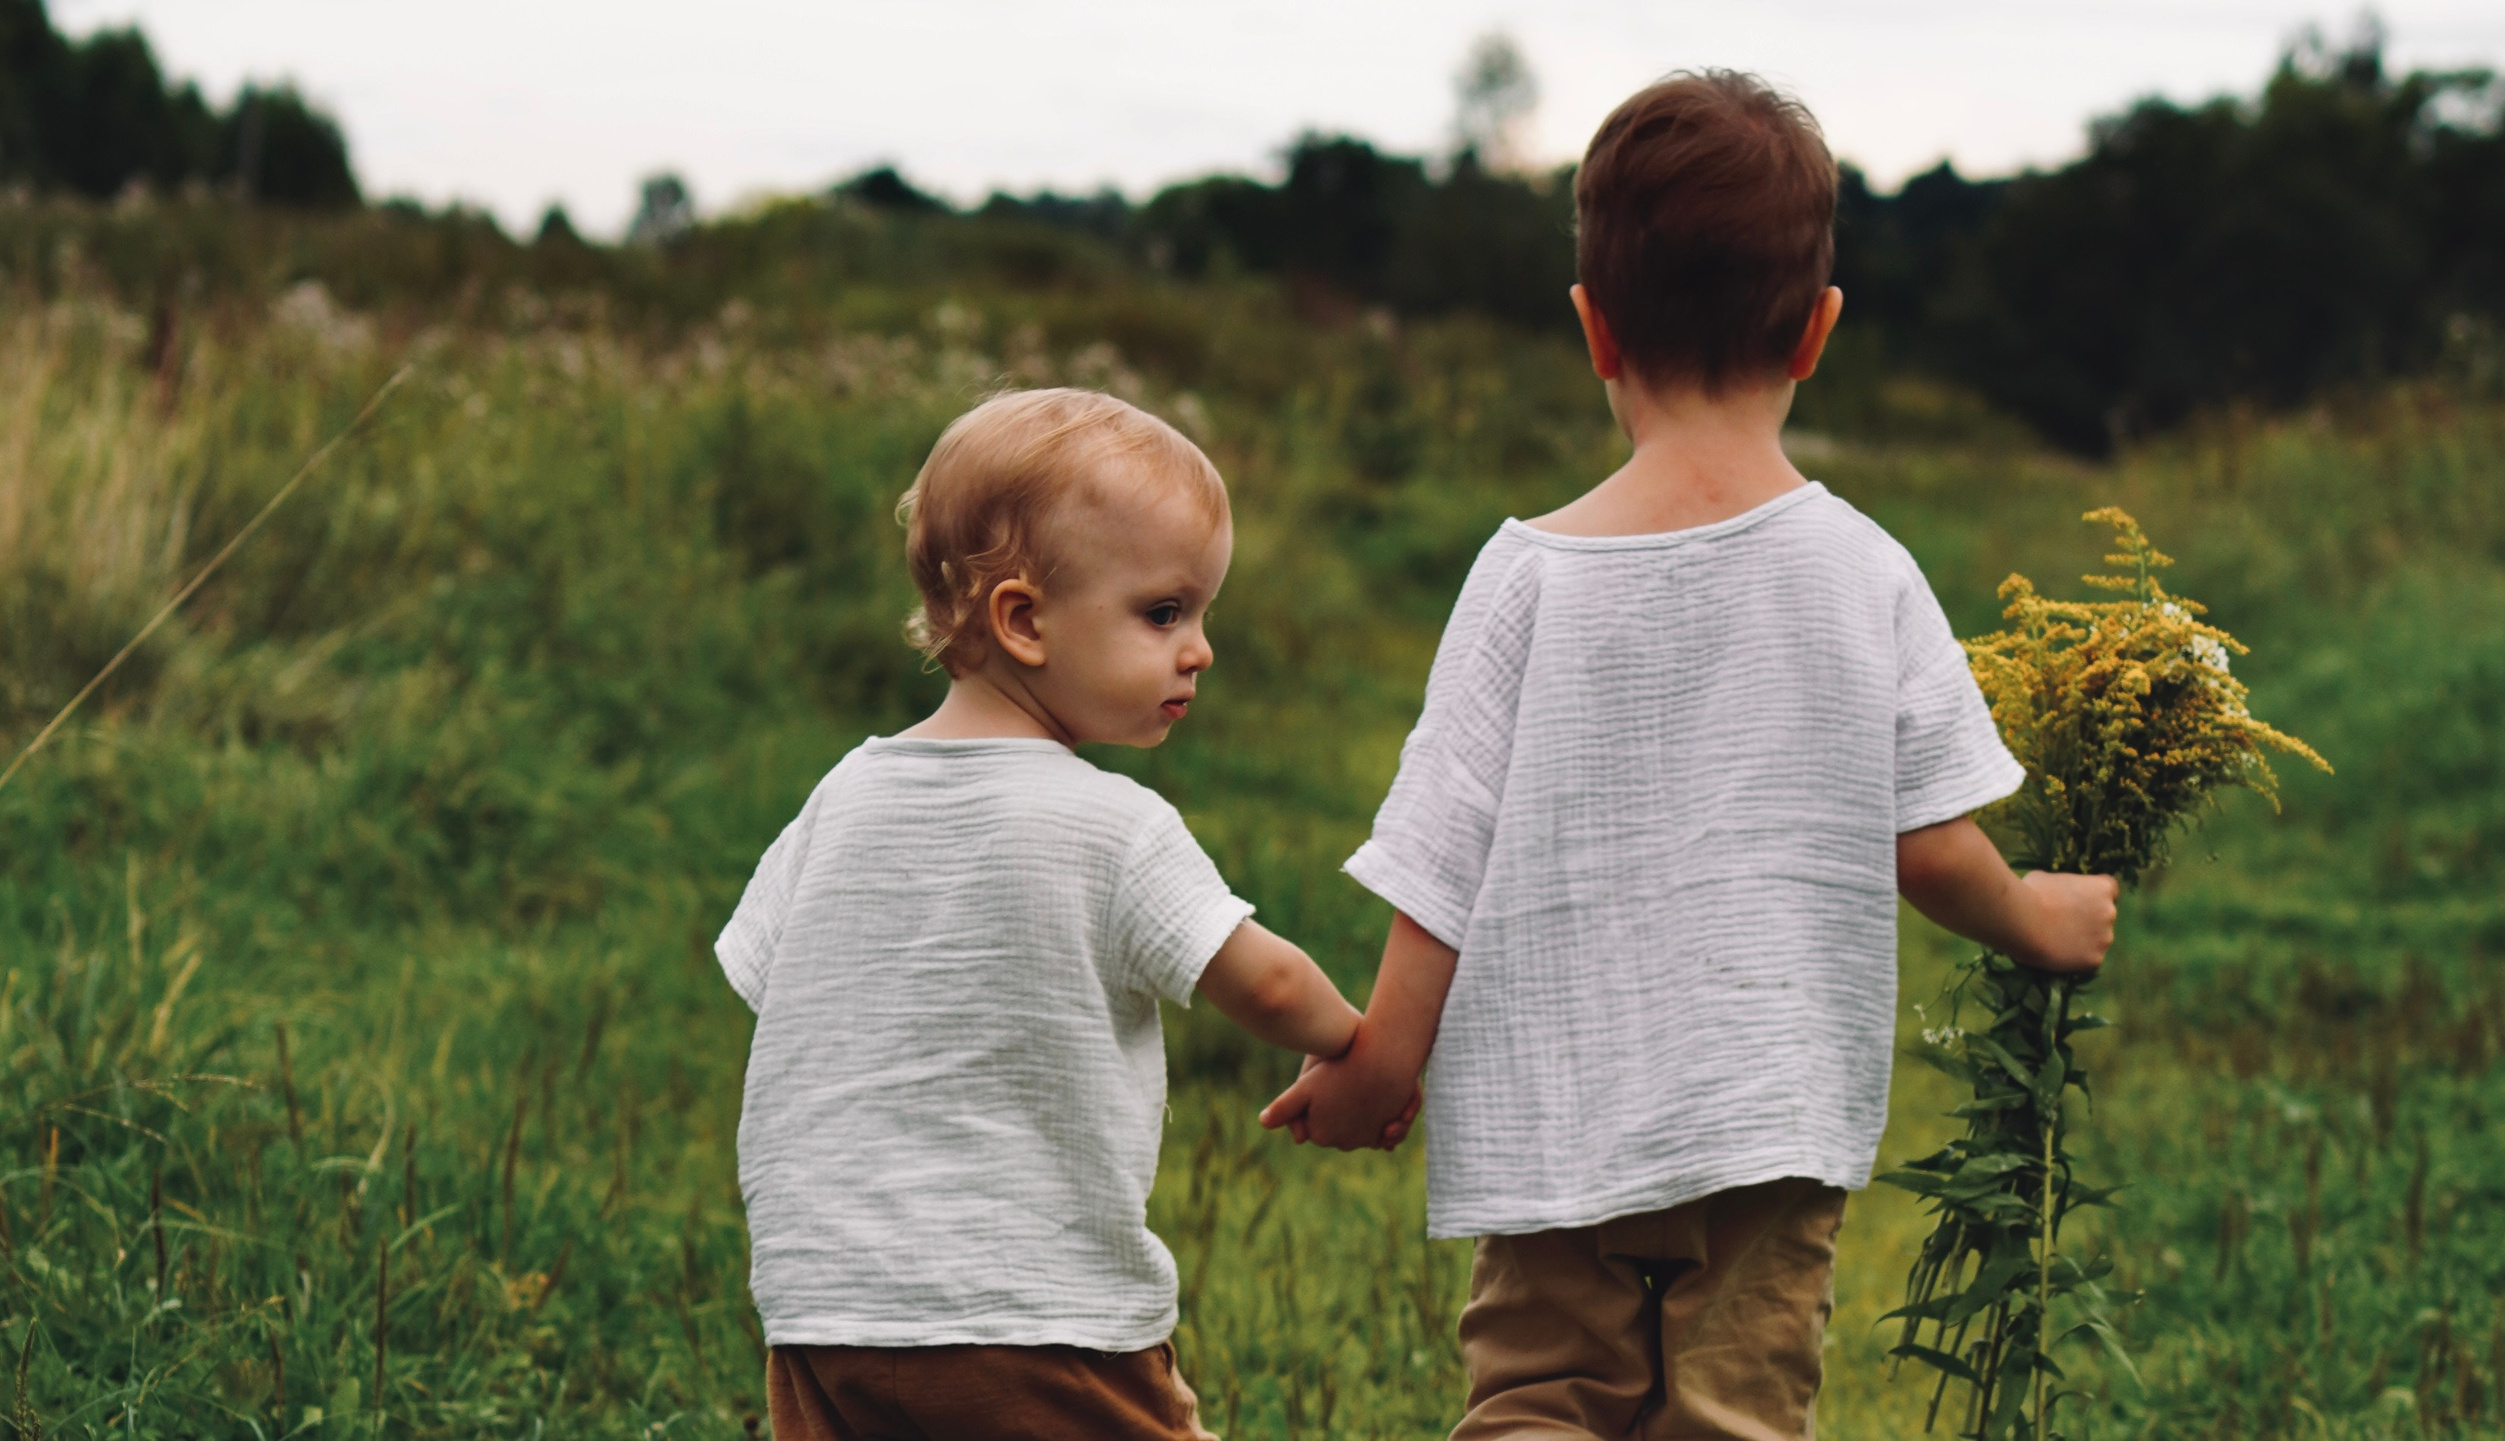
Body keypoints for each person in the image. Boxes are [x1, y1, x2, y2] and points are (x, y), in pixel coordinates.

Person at [1259, 72, 2121, 1439]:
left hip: (1556, 1120)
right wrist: (2039, 919)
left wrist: (1379, 1062)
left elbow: (1445, 858)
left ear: (1594, 330)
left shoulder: (1523, 577)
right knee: (1728, 1412)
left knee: (1537, 1402)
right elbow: (1929, 842)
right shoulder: (1866, 572)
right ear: (1819, 332)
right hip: (1765, 1118)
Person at [718, 388, 1400, 1441]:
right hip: (1030, 1313)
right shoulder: (1110, 825)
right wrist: (1358, 1048)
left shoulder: (842, 796)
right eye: (1165, 612)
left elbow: (778, 985)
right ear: (1024, 620)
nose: (1200, 648)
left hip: (823, 1311)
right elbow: (1262, 980)